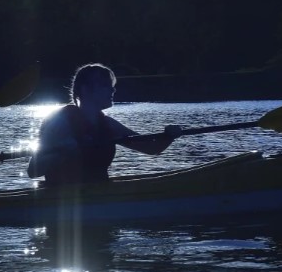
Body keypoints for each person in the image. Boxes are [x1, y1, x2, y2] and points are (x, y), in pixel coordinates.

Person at [27, 63, 181, 186]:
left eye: (111, 85)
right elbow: (33, 170)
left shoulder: (108, 124)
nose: (112, 90)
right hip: (60, 202)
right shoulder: (60, 122)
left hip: (99, 192)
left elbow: (151, 148)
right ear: (85, 89)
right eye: (105, 85)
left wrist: (169, 136)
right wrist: (62, 152)